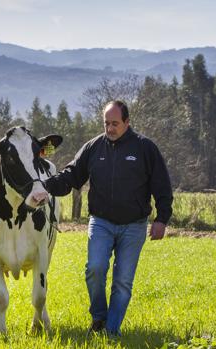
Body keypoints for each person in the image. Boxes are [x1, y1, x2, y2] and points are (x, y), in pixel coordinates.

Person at [35, 100, 173, 337]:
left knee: (123, 281)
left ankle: (111, 330)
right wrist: (45, 186)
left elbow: (161, 184)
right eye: (106, 123)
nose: (110, 129)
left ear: (128, 122)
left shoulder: (145, 148)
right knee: (95, 269)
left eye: (115, 124)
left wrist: (162, 218)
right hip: (101, 222)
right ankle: (99, 316)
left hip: (134, 226)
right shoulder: (94, 147)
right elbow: (71, 175)